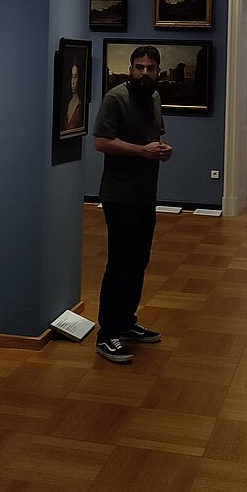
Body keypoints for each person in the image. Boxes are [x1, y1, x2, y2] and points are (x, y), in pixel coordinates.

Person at [93, 45, 173, 364]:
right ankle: (107, 333)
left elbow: (155, 137)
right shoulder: (116, 98)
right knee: (120, 263)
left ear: (158, 71)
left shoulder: (154, 97)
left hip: (144, 194)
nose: (144, 73)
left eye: (150, 68)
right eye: (139, 67)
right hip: (119, 195)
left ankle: (126, 321)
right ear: (130, 69)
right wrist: (142, 151)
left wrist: (162, 150)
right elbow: (101, 142)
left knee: (139, 261)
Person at [64, 59, 83, 132]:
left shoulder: (80, 105)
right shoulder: (67, 103)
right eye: (72, 77)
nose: (73, 82)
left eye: (75, 77)